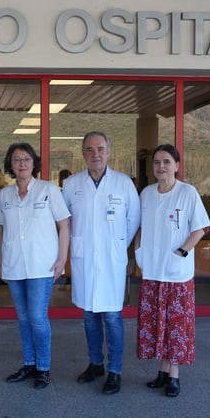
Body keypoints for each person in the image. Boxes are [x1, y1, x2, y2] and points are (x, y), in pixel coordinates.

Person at [61, 131, 140, 395]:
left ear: (108, 151)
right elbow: (64, 221)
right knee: (89, 316)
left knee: (113, 317)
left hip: (112, 259)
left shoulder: (123, 183)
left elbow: (133, 219)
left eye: (100, 149)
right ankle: (95, 363)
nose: (95, 154)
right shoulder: (72, 184)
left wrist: (117, 244)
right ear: (83, 153)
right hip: (84, 259)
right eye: (90, 149)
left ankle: (114, 370)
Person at [135, 144, 209, 398]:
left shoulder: (187, 193)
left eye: (167, 161)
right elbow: (141, 227)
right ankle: (162, 371)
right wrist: (139, 253)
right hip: (153, 272)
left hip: (177, 274)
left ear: (177, 166)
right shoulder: (146, 194)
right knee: (157, 323)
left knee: (176, 325)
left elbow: (200, 228)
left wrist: (183, 251)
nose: (161, 166)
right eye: (156, 162)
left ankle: (174, 375)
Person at [0, 143, 70, 389]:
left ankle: (44, 368)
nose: (22, 164)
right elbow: (0, 229)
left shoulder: (49, 190)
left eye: (26, 159)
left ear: (34, 163)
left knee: (38, 317)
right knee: (24, 318)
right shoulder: (4, 195)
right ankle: (29, 364)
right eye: (16, 160)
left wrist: (62, 258)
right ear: (11, 165)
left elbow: (65, 225)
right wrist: (1, 262)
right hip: (15, 264)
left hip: (42, 265)